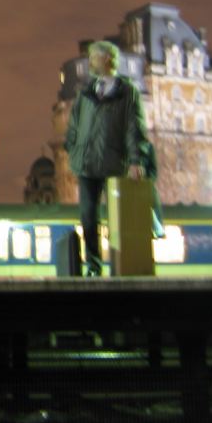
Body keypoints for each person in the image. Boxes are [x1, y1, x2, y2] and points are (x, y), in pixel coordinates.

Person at [65, 41, 149, 277]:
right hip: (86, 163)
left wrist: (135, 161)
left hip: (114, 162)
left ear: (108, 60)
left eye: (94, 57)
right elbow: (73, 123)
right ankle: (93, 266)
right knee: (88, 218)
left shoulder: (128, 92)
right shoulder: (85, 92)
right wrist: (72, 149)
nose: (90, 62)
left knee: (117, 220)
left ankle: (120, 266)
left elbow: (135, 128)